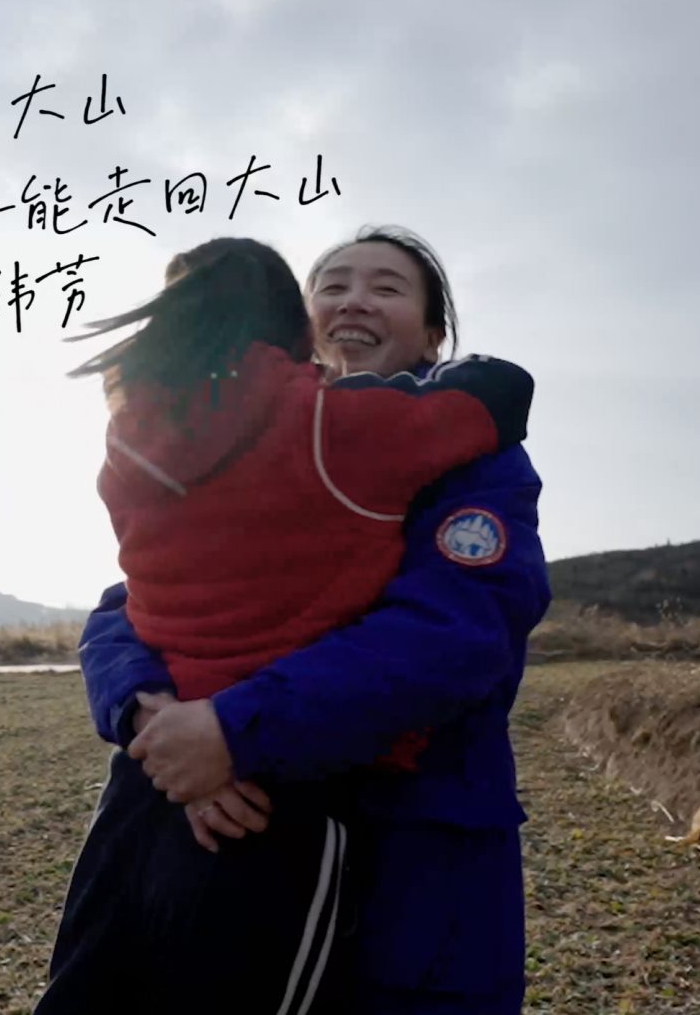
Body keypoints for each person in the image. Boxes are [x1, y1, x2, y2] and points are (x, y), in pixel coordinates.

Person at [34, 236, 536, 1015]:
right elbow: (125, 608)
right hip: (224, 830)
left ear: (434, 337)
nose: (354, 299)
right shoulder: (255, 441)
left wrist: (231, 730)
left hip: (412, 862)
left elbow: (457, 635)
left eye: (387, 288)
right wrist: (153, 720)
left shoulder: (473, 460)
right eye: (331, 285)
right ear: (302, 325)